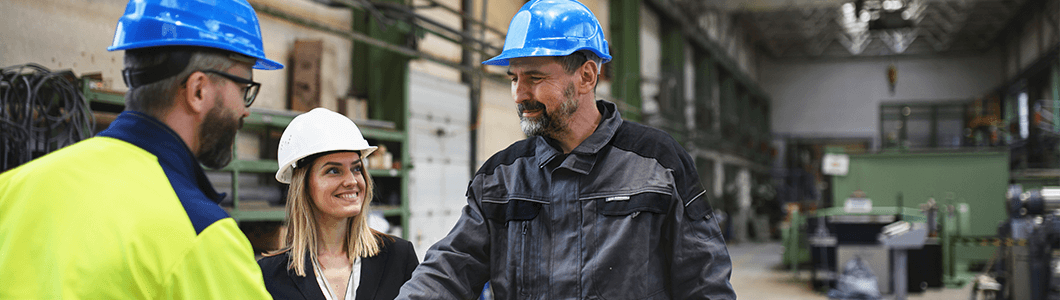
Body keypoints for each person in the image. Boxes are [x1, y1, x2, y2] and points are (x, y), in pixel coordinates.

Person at [396, 0, 736, 299]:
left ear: (587, 77)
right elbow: (448, 272)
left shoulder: (659, 164)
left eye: (535, 78)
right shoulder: (501, 177)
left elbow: (705, 284)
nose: (518, 94)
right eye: (514, 78)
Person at [0, 0, 283, 298]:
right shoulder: (200, 234)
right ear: (198, 90)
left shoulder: (13, 187)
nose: (245, 110)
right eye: (244, 90)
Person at [258, 108, 418, 300]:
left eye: (357, 169)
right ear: (304, 185)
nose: (352, 181)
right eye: (333, 171)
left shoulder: (398, 258)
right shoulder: (269, 276)